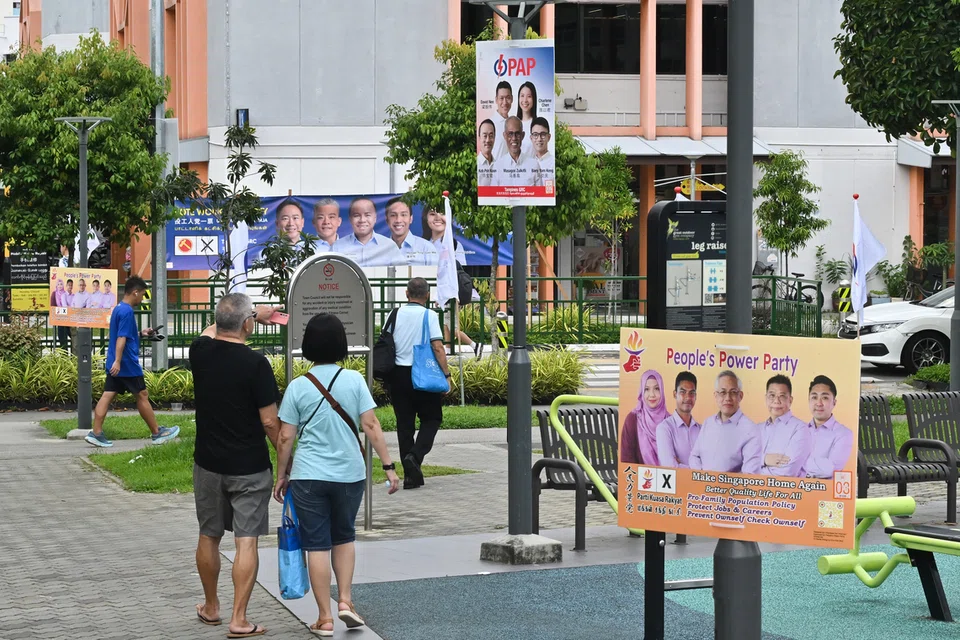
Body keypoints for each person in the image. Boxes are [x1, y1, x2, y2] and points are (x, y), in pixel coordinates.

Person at [273, 313, 400, 637]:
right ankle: (345, 601)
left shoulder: (298, 386)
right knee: (344, 536)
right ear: (342, 344)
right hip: (349, 475)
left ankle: (324, 618)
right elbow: (371, 425)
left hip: (308, 476)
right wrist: (388, 466)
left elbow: (285, 437)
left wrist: (281, 475)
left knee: (316, 544)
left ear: (308, 346)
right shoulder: (354, 380)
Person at [189, 293, 283, 638]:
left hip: (208, 463)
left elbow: (209, 330)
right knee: (246, 541)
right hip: (250, 467)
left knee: (209, 534)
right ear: (248, 325)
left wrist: (248, 313)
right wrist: (285, 459)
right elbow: (270, 422)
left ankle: (211, 607)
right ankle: (239, 619)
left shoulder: (199, 353)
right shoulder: (256, 364)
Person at [84, 276, 180, 448]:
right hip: (126, 363)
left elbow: (124, 334)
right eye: (142, 294)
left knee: (107, 395)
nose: (142, 298)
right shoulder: (127, 312)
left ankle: (96, 432)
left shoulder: (118, 308)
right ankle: (157, 432)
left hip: (116, 362)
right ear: (135, 292)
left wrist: (141, 334)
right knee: (142, 395)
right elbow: (121, 337)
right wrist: (119, 361)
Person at [387, 278, 451, 489]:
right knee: (432, 418)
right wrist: (447, 375)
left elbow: (385, 342)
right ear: (427, 295)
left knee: (404, 424)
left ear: (407, 293)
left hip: (398, 374)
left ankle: (410, 477)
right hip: (423, 373)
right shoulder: (429, 315)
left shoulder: (394, 314)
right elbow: (437, 346)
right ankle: (414, 456)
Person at [420, 208, 479, 356]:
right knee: (446, 324)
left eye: (442, 213)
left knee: (452, 327)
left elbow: (450, 279)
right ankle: (447, 349)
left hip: (452, 295)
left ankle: (475, 345)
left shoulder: (454, 248)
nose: (437, 217)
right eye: (432, 214)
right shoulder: (422, 244)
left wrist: (441, 297)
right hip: (447, 295)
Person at [689, 371, 759, 473]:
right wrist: (703, 476)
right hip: (701, 481)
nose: (727, 398)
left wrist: (716, 480)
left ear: (740, 396)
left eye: (733, 392)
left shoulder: (750, 430)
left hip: (727, 484)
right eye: (722, 392)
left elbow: (749, 475)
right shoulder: (708, 423)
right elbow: (694, 456)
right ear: (716, 396)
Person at [743, 375, 813, 477]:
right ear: (766, 398)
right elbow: (742, 463)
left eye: (782, 396)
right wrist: (764, 459)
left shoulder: (800, 429)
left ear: (790, 400)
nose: (776, 401)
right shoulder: (757, 429)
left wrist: (752, 470)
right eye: (772, 395)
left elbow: (786, 473)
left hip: (783, 488)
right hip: (753, 487)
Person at [800, 375, 854, 478]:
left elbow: (831, 470)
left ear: (834, 402)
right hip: (796, 487)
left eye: (825, 398)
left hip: (825, 487)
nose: (819, 403)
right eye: (814, 397)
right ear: (809, 401)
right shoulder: (799, 431)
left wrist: (796, 461)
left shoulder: (844, 434)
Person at [332, 197, 406, 266]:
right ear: (350, 219)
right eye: (356, 215)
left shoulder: (389, 246)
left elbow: (402, 271)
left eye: (367, 215)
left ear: (375, 218)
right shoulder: (337, 247)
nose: (362, 220)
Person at [620, 370, 668, 465]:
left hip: (669, 474)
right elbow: (627, 459)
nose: (652, 394)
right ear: (641, 392)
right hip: (641, 474)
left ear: (662, 391)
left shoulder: (671, 421)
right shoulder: (632, 420)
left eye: (657, 389)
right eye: (646, 389)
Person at [655, 372, 702, 468]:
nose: (688, 397)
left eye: (692, 393)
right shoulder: (664, 428)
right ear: (675, 394)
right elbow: (669, 466)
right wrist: (699, 470)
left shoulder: (702, 430)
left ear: (696, 396)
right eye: (683, 392)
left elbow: (710, 465)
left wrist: (680, 466)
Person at [492, 117, 542, 188]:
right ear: (505, 136)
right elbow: (493, 194)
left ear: (523, 135)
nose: (514, 138)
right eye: (510, 134)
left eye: (517, 134)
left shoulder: (534, 165)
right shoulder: (497, 167)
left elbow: (540, 194)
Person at [385, 197, 433, 265]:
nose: (398, 220)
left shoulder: (427, 248)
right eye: (393, 215)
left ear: (411, 219)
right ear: (387, 220)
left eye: (403, 215)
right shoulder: (379, 250)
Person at [530, 116, 555, 187]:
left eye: (543, 134)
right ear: (531, 138)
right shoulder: (527, 164)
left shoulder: (554, 163)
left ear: (549, 137)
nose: (539, 139)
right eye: (535, 135)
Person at [491, 80, 513, 160]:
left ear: (512, 99)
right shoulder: (490, 124)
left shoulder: (513, 124)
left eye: (508, 98)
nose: (505, 102)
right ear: (496, 100)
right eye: (501, 98)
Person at [515, 81, 537, 156]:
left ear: (534, 99)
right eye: (522, 96)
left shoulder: (537, 125)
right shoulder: (513, 124)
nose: (525, 100)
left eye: (529, 96)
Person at [477, 119, 497, 187]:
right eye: (485, 136)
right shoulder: (476, 165)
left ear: (494, 138)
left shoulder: (498, 166)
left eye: (491, 136)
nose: (488, 140)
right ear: (479, 138)